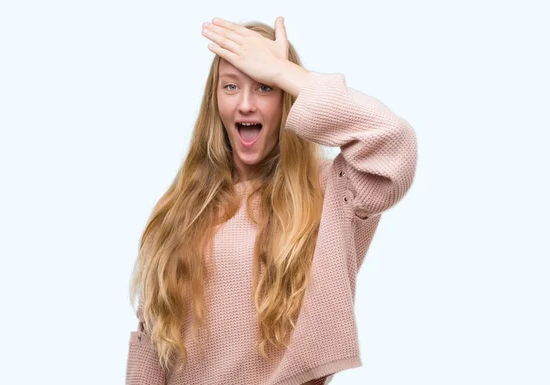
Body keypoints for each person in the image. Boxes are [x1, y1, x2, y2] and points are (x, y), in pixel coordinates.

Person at [126, 16, 418, 385]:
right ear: (215, 101)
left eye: (264, 87)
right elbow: (151, 345)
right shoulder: (181, 206)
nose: (246, 104)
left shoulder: (329, 191)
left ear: (286, 100)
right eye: (231, 86)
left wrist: (287, 73)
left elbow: (394, 146)